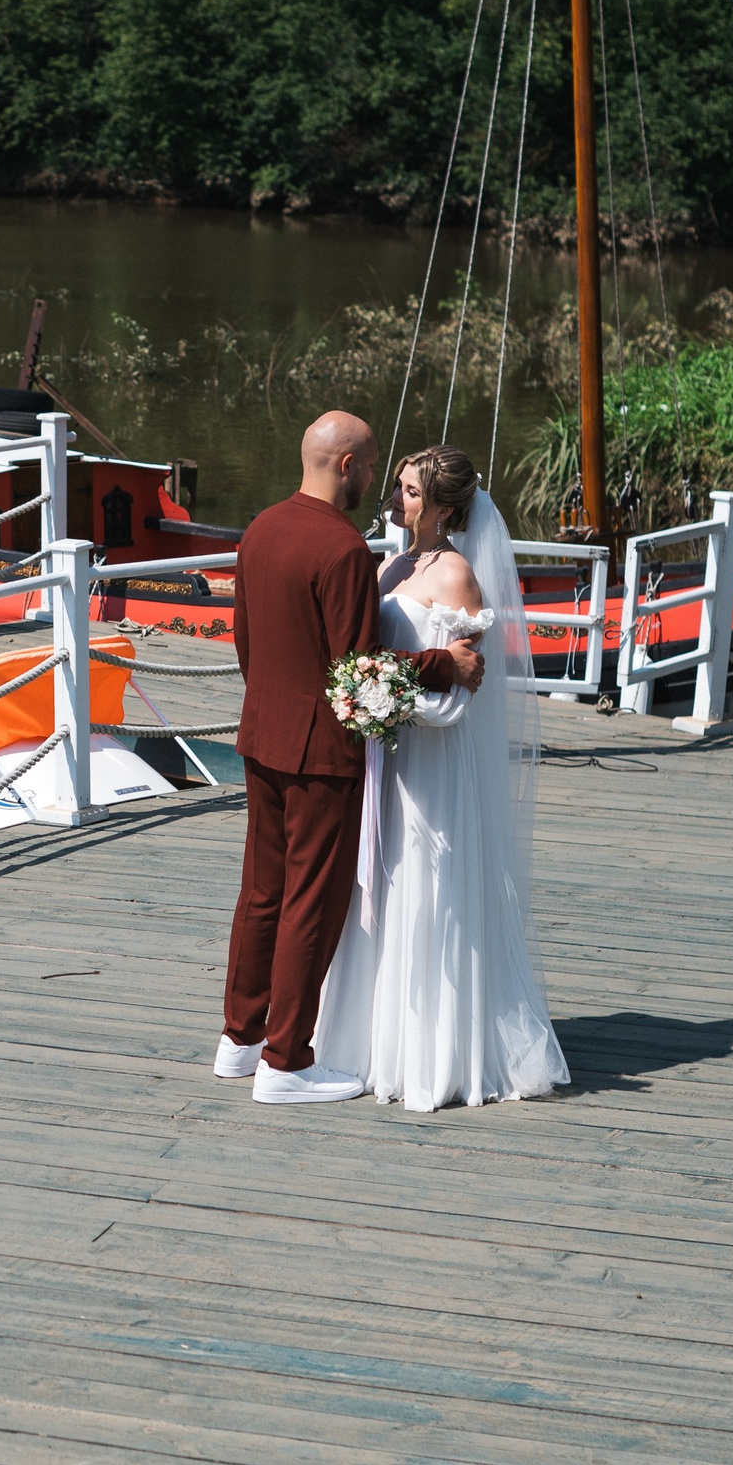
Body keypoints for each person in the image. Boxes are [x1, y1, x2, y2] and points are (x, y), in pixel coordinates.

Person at [219, 413, 484, 1105]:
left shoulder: (259, 529)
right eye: (371, 468)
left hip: (261, 736)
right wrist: (444, 664)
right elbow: (359, 668)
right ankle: (285, 1061)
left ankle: (239, 1039)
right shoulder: (342, 549)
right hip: (320, 752)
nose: (378, 485)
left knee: (261, 893)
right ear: (346, 466)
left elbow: (246, 643)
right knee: (310, 902)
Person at [314, 446, 571, 1109]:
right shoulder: (389, 564)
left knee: (427, 886)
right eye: (399, 487)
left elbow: (462, 691)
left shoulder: (458, 576)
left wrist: (386, 700)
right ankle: (368, 1043)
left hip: (432, 759)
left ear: (445, 508)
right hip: (388, 755)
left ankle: (434, 1053)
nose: (397, 499)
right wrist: (367, 698)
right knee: (379, 885)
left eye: (411, 491)